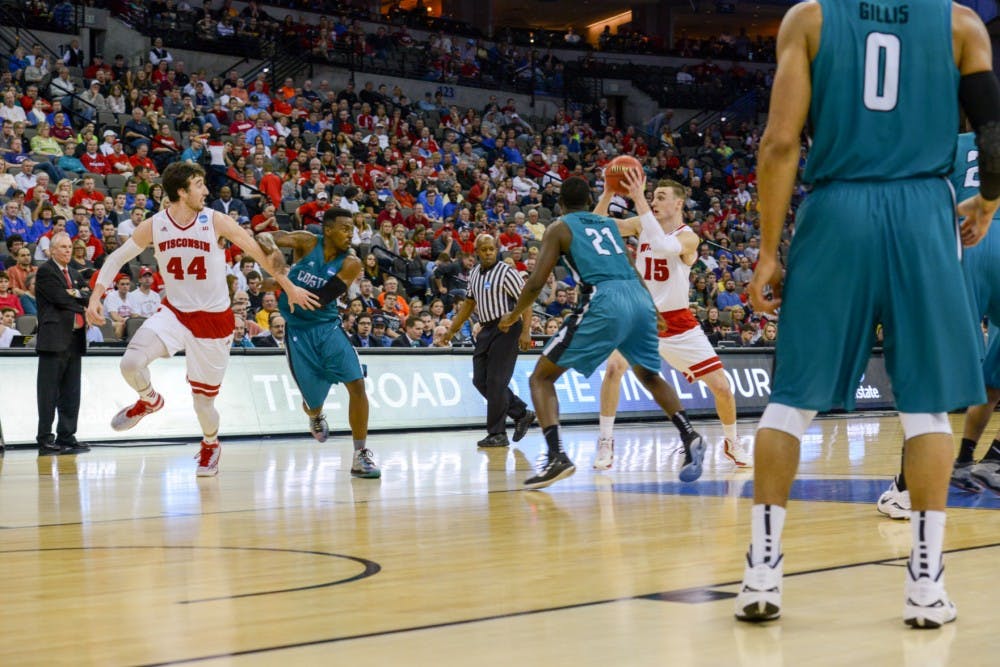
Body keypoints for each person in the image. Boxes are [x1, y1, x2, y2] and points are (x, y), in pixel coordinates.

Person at [733, 1, 998, 629]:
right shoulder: (961, 25)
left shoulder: (811, 19)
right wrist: (987, 200)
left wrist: (769, 252)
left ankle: (761, 573)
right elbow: (993, 132)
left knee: (791, 400)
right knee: (928, 405)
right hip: (923, 214)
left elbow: (778, 143)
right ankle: (925, 584)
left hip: (836, 209)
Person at [85, 163, 318, 477]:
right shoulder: (155, 225)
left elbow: (258, 253)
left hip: (213, 321)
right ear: (182, 191)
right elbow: (115, 259)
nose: (206, 191)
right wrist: (96, 296)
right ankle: (150, 401)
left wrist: (288, 288)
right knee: (130, 364)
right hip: (175, 312)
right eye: (199, 185)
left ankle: (210, 444)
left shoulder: (215, 220)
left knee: (202, 404)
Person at [498, 174, 705, 489]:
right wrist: (651, 307)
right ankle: (689, 434)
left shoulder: (559, 227)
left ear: (560, 204)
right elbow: (632, 268)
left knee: (540, 377)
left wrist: (514, 315)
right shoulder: (606, 226)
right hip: (638, 298)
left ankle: (557, 457)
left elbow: (537, 281)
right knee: (649, 375)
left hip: (605, 299)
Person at [877, 130, 1000, 520]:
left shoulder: (948, 140)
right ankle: (987, 457)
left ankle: (905, 488)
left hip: (964, 242)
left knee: (934, 375)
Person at [593, 179, 749, 471]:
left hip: (677, 320)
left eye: (660, 197)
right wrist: (608, 194)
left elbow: (664, 246)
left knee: (722, 388)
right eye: (652, 196)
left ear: (678, 204)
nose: (653, 201)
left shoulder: (689, 238)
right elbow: (595, 225)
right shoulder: (641, 224)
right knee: (614, 368)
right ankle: (605, 441)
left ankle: (732, 441)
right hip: (640, 316)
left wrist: (638, 199)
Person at [268, 208, 380, 478]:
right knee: (312, 402)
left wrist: (275, 283)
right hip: (298, 333)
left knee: (357, 384)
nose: (350, 233)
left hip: (328, 328)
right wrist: (265, 242)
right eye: (344, 228)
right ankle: (315, 414)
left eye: (352, 229)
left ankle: (360, 454)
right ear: (327, 230)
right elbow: (272, 237)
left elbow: (321, 297)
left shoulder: (351, 263)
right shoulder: (307, 242)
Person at [446, 233, 535, 448]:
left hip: (507, 328)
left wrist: (526, 332)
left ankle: (497, 434)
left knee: (496, 382)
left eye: (491, 249)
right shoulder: (475, 273)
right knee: (480, 380)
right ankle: (521, 413)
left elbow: (527, 300)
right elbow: (468, 304)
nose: (488, 253)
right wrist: (451, 330)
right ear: (476, 252)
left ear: (496, 250)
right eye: (483, 249)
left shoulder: (506, 272)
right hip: (486, 330)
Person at [35, 231, 90, 456]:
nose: (69, 250)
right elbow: (60, 298)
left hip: (74, 340)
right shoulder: (46, 271)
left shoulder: (76, 274)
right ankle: (45, 439)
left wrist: (78, 296)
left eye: (70, 247)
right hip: (54, 339)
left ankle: (67, 436)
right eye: (64, 247)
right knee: (48, 392)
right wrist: (81, 303)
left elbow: (87, 294)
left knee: (71, 392)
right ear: (53, 250)